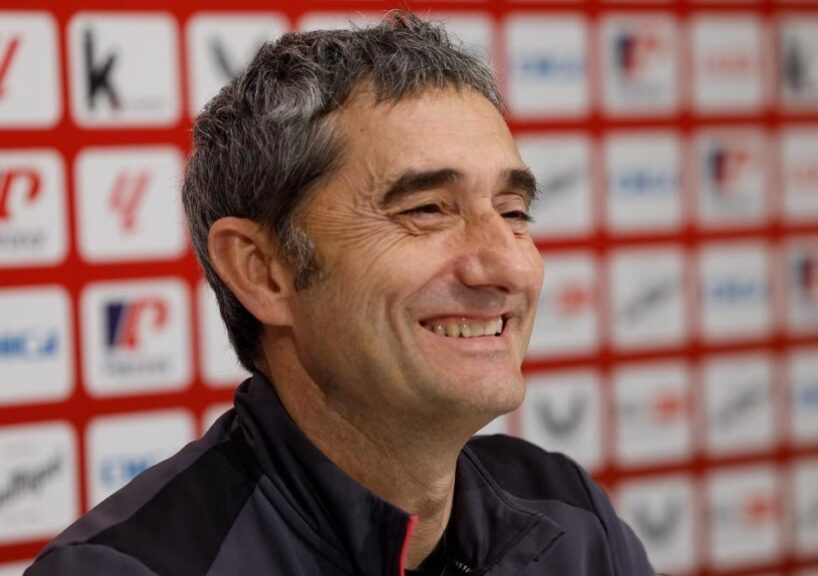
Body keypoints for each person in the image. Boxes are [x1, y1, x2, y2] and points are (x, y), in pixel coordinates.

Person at [27, 12, 654, 576]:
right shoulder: (126, 569)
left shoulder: (571, 515)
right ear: (263, 271)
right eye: (428, 209)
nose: (509, 265)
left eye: (514, 212)